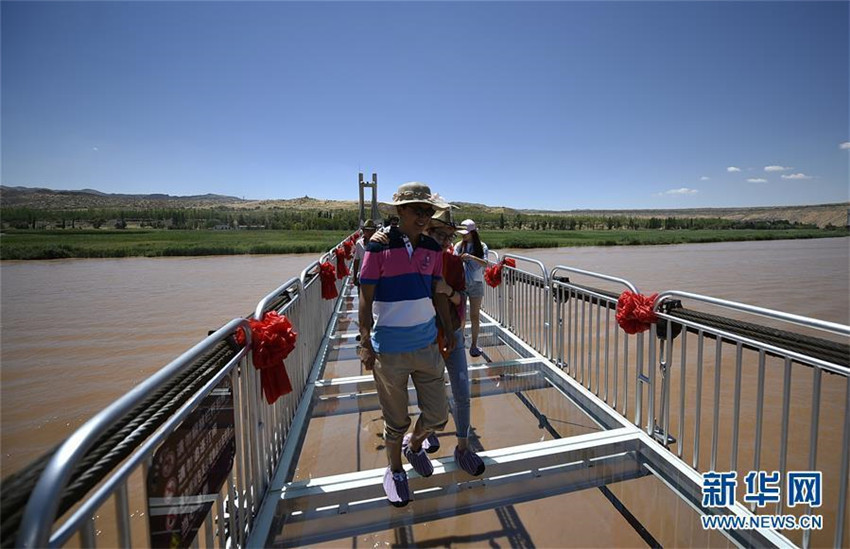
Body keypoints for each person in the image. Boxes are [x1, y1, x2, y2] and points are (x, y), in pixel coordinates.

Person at [358, 182, 456, 507]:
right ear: (400, 211)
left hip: (427, 344)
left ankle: (415, 447)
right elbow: (365, 296)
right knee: (395, 419)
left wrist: (447, 327)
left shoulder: (432, 247)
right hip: (390, 349)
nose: (424, 216)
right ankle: (395, 469)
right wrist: (365, 342)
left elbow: (436, 291)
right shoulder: (378, 246)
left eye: (428, 211)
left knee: (438, 415)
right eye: (418, 210)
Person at [370, 209, 487, 477]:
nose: (446, 241)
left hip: (451, 333)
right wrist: (382, 236)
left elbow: (461, 299)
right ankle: (418, 442)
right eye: (439, 234)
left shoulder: (454, 263)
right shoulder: (412, 258)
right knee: (427, 398)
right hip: (422, 337)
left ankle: (463, 447)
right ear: (425, 232)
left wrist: (449, 292)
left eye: (449, 236)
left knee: (460, 388)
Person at [455, 219, 489, 357]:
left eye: (466, 233)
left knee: (474, 315)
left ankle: (474, 345)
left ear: (473, 233)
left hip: (476, 284)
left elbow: (485, 263)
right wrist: (459, 259)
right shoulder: (458, 245)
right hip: (461, 283)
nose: (463, 236)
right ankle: (460, 341)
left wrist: (471, 257)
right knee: (461, 315)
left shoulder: (482, 246)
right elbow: (452, 260)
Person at [352, 219, 377, 288]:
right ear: (363, 231)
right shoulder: (359, 244)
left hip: (376, 276)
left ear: (375, 231)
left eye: (372, 230)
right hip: (363, 276)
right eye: (367, 230)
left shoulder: (379, 243)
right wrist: (354, 276)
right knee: (362, 297)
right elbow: (356, 260)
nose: (370, 232)